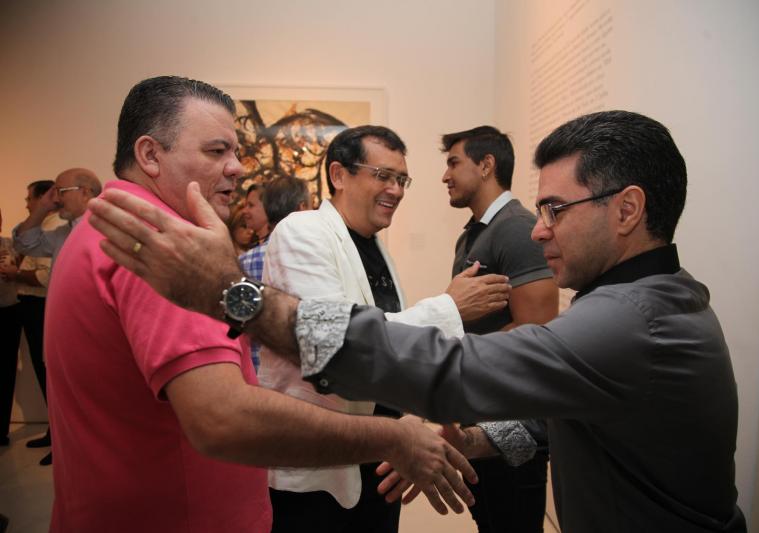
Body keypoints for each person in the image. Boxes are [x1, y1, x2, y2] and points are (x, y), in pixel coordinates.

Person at [88, 110, 748, 533]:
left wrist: (236, 295)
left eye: (556, 209)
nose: (539, 230)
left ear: (627, 209)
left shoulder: (631, 320)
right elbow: (563, 411)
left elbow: (449, 368)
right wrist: (479, 441)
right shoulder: (651, 301)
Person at [45, 75, 476, 533]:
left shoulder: (110, 227)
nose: (237, 167)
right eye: (216, 151)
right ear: (151, 155)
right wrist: (393, 438)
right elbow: (223, 417)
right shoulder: (160, 245)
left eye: (235, 151)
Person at [260, 125, 513, 533]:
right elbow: (336, 340)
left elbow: (387, 346)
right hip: (318, 469)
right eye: (383, 175)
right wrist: (449, 307)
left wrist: (414, 421)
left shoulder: (375, 247)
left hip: (379, 460)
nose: (395, 190)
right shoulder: (302, 231)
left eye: (402, 180)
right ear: (339, 175)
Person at [441, 125, 559, 532]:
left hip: (514, 424)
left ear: (486, 165)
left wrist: (455, 355)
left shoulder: (515, 228)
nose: (445, 175)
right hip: (482, 414)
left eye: (454, 163)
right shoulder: (473, 234)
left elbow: (537, 330)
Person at [13, 172, 100, 466]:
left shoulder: (106, 227)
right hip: (64, 333)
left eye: (61, 191)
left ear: (85, 192)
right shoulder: (63, 233)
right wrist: (42, 208)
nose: (56, 198)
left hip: (92, 335)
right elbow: (25, 243)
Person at [6, 181, 62, 462]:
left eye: (30, 198)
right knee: (43, 372)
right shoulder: (44, 227)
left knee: (49, 373)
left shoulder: (54, 228)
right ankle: (55, 433)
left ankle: (60, 440)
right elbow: (22, 242)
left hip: (40, 306)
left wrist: (15, 273)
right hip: (31, 307)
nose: (27, 204)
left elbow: (45, 277)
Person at [240, 176, 311, 374]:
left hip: (258, 372)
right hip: (304, 372)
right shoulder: (313, 257)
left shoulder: (244, 261)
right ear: (302, 208)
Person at [0, 207, 21, 447]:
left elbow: (20, 270)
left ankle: (1, 430)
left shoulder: (9, 244)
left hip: (9, 312)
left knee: (6, 371)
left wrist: (15, 271)